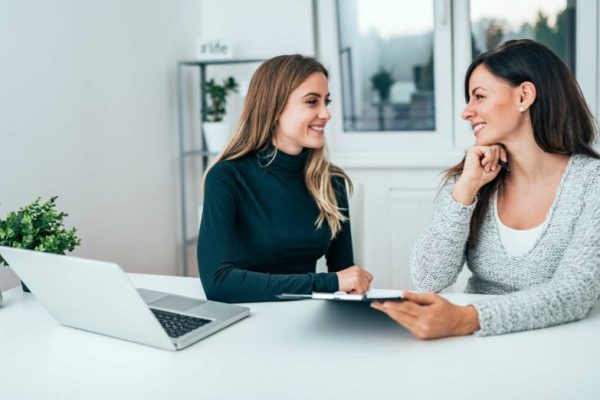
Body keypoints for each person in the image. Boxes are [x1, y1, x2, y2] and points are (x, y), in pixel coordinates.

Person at [372, 39, 600, 338]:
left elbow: (575, 291)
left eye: (479, 96)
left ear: (525, 95)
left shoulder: (592, 183)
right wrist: (465, 190)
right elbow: (428, 278)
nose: (467, 112)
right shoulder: (473, 177)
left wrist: (468, 319)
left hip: (556, 344)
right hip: (474, 345)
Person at [197, 54, 372, 303]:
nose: (326, 113)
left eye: (326, 101)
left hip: (307, 319)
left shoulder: (330, 181)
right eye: (312, 102)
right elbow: (218, 283)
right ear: (275, 107)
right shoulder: (227, 177)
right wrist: (328, 283)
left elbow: (345, 276)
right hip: (246, 320)